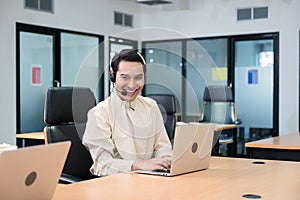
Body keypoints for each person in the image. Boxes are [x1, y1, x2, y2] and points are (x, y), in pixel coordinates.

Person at [82, 49, 172, 176]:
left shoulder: (150, 106)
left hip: (152, 181)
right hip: (117, 186)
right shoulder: (99, 113)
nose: (132, 85)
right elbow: (102, 164)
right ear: (112, 76)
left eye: (138, 78)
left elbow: (162, 146)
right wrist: (137, 165)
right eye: (125, 77)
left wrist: (166, 160)